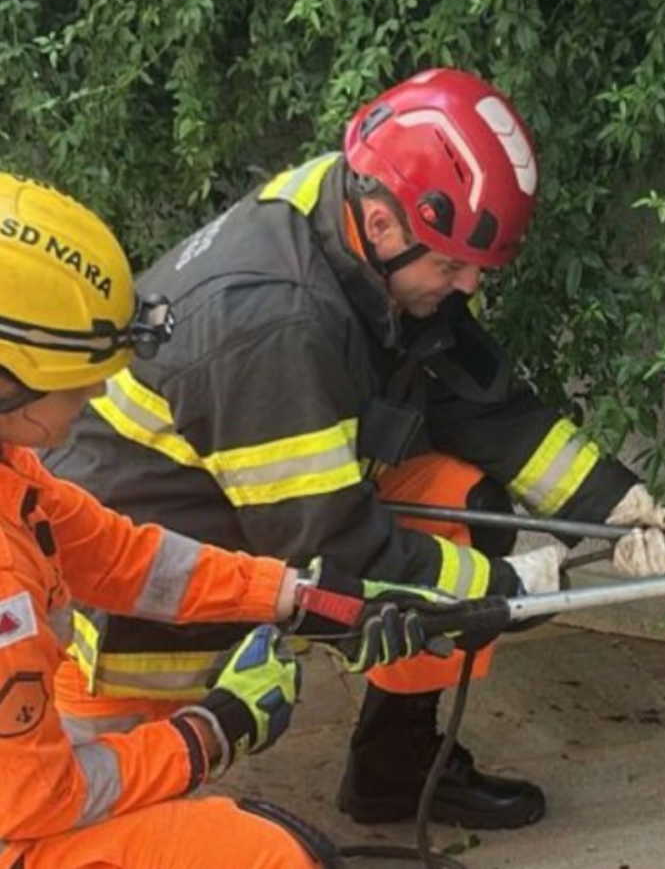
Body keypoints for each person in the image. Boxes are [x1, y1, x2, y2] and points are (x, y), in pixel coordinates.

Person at [46, 67, 665, 832]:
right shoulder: (274, 324)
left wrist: (621, 509)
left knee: (466, 502)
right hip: (132, 588)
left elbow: (475, 397)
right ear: (387, 222)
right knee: (107, 826)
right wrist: (504, 591)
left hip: (263, 502)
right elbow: (330, 556)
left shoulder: (348, 208)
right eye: (452, 265)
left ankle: (395, 771)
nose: (464, 286)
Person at [0, 172, 445, 869]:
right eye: (80, 379)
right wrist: (216, 728)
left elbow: (126, 560)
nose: (96, 392)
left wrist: (301, 599)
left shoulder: (11, 473)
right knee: (270, 859)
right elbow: (39, 800)